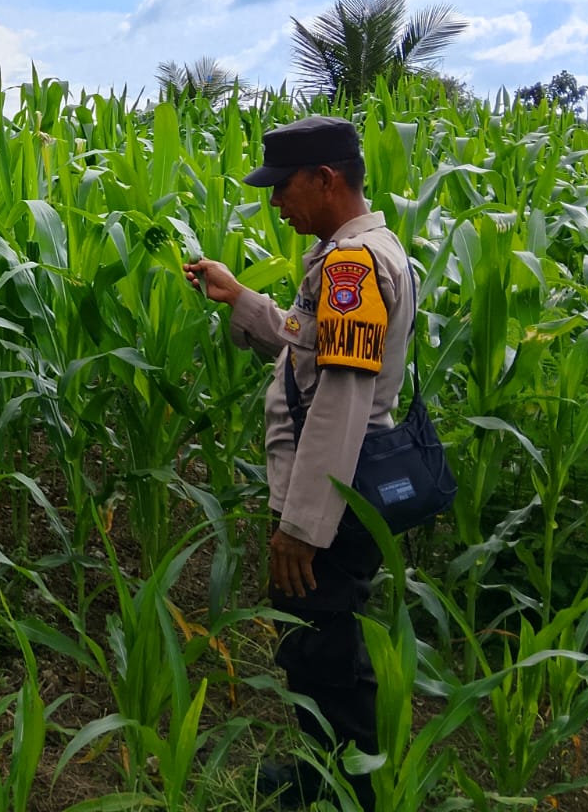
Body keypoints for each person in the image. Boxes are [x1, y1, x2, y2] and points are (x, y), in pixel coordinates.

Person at [184, 115, 413, 812]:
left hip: (333, 503)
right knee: (313, 640)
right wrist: (244, 301)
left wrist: (303, 525)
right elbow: (311, 345)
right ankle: (324, 769)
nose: (275, 202)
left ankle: (354, 789)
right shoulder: (357, 252)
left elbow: (342, 400)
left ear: (327, 179)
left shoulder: (352, 266)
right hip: (338, 493)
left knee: (325, 647)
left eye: (284, 187)